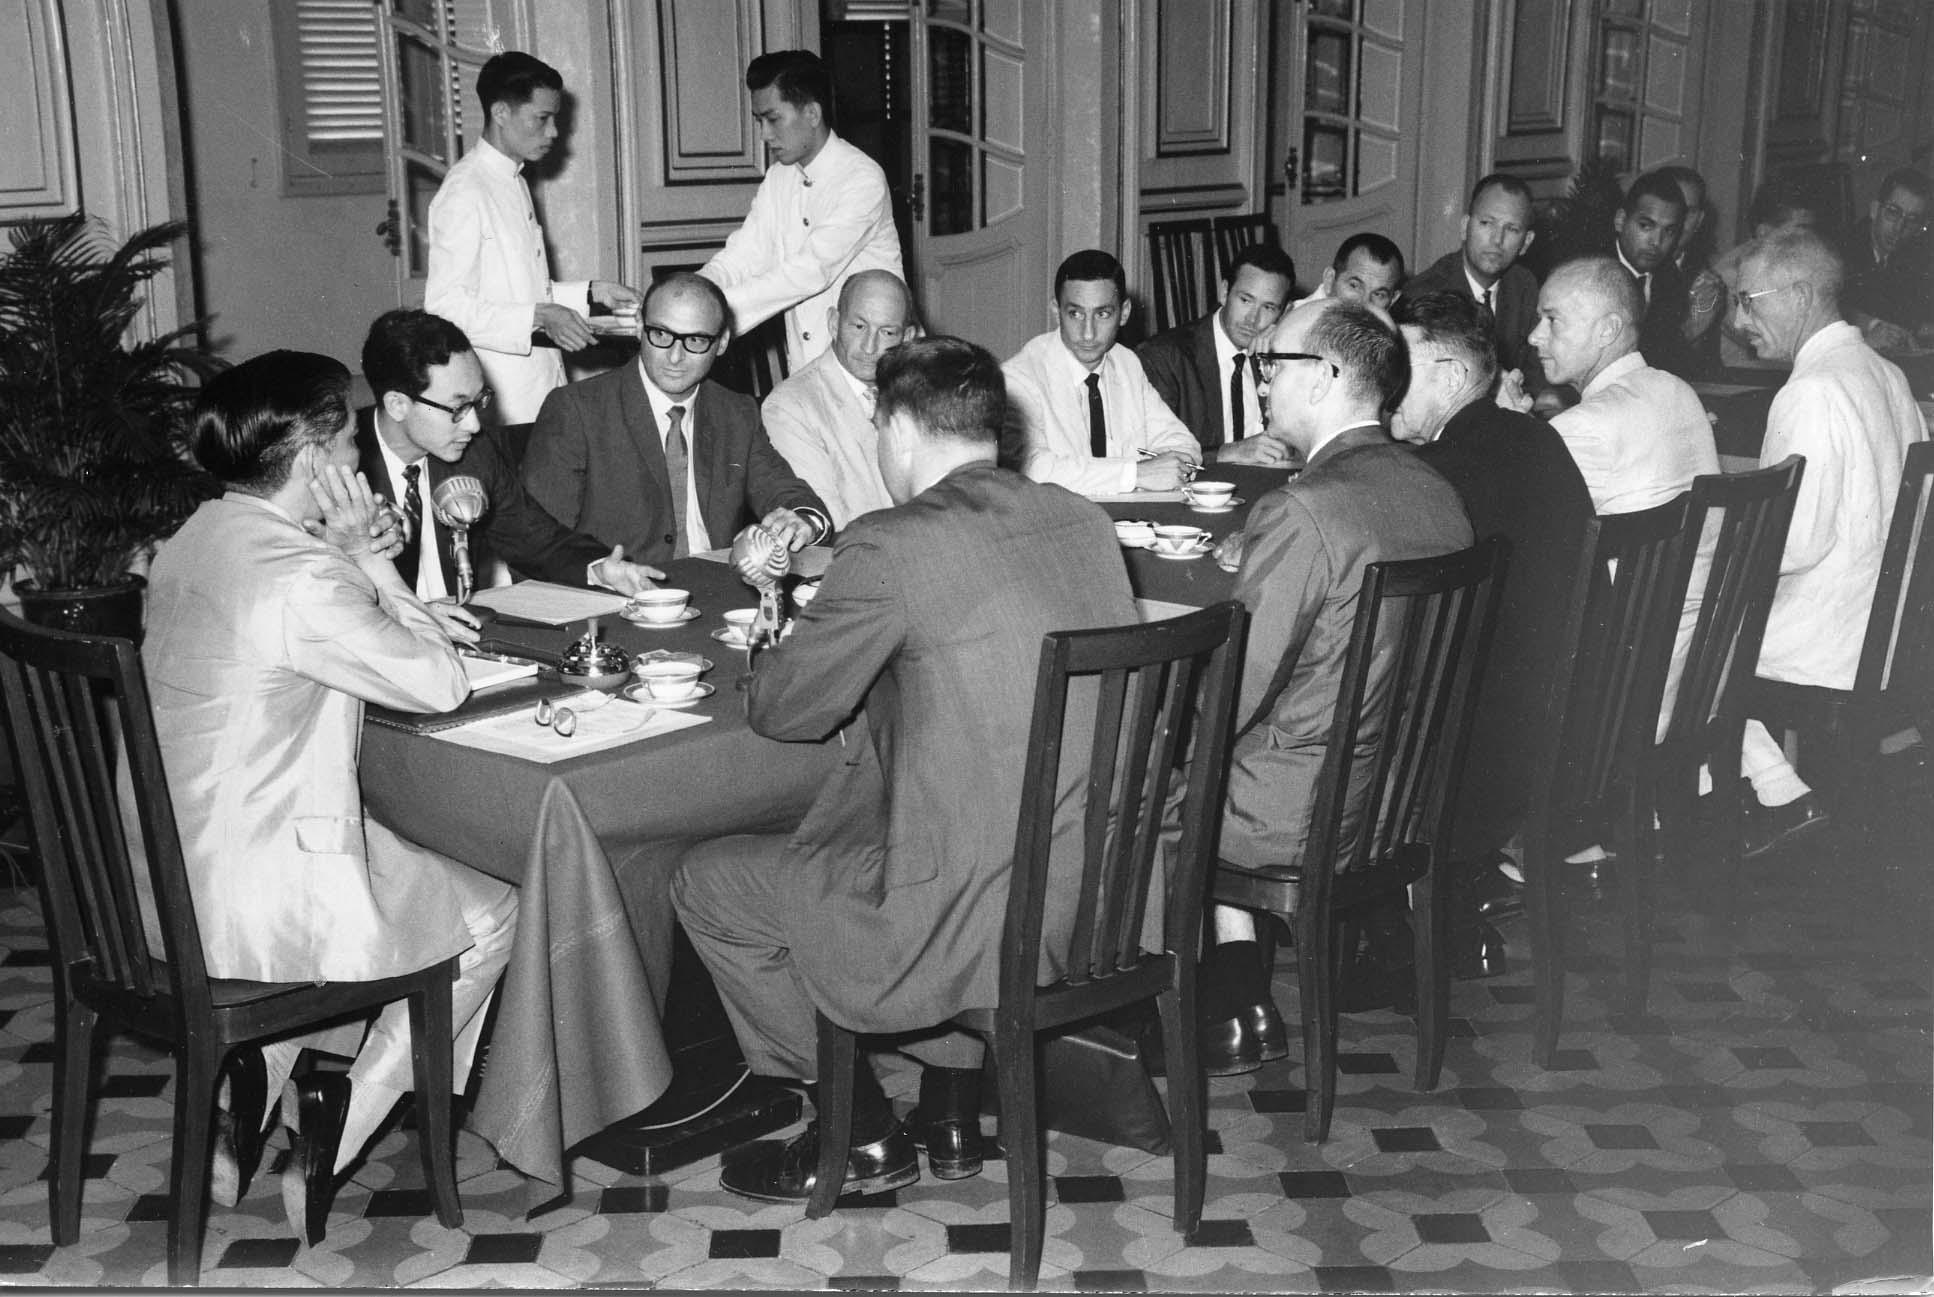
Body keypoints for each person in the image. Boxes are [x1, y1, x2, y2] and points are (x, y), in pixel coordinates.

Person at [672, 336, 1138, 1201]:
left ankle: (859, 1133)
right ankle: (951, 1108)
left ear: (898, 431)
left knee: (711, 882)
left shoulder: (891, 543)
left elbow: (785, 710)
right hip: (1098, 892)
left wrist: (775, 636)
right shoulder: (1081, 520)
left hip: (975, 911)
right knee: (927, 811)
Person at [125, 351, 517, 1237]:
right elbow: (440, 682)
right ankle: (339, 1124)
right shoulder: (303, 573)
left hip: (153, 879)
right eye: (346, 439)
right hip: (245, 900)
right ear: (311, 457)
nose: (357, 455)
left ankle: (256, 1076)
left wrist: (354, 567)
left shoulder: (194, 538)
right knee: (491, 911)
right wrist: (373, 564)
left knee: (401, 869)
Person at [1193, 299, 1472, 1073]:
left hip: (1303, 813)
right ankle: (1238, 984)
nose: (1260, 381)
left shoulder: (1303, 508)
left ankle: (1217, 1001)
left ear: (1321, 378)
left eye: (1270, 365)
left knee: (1150, 770)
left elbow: (1234, 690)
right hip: (1394, 800)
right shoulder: (1437, 491)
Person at [1730, 228, 1929, 855]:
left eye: (1748, 302)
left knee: (1674, 643)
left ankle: (1776, 799)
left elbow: (1792, 545)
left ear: (1799, 295)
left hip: (1827, 641)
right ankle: (1777, 791)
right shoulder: (1887, 374)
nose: (1738, 322)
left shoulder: (1809, 390)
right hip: (1885, 632)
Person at [1392, 291, 1592, 869]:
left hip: (1477, 767)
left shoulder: (1433, 476)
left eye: (1399, 368)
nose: (1383, 385)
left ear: (1452, 377)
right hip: (1560, 738)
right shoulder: (1536, 437)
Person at [1532, 256, 1718, 865]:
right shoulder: (1677, 390)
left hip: (1623, 692)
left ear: (1608, 329)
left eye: (1552, 320)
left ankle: (1542, 837)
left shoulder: (1584, 427)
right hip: (1694, 664)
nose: (1534, 336)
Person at [355, 309, 661, 627]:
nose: (474, 425)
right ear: (397, 405)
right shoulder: (341, 465)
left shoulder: (475, 454)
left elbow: (535, 539)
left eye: (478, 401)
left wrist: (599, 569)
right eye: (458, 408)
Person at [522, 272, 831, 565]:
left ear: (722, 342)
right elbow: (536, 542)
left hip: (718, 587)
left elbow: (786, 491)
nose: (675, 357)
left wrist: (804, 520)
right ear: (639, 327)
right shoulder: (577, 410)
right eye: (661, 334)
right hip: (614, 593)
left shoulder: (736, 412)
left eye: (696, 340)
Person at [425, 52, 640, 424]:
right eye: (542, 118)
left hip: (542, 383)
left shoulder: (515, 181)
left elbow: (518, 289)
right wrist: (538, 316)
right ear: (501, 112)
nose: (553, 132)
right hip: (502, 397)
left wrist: (593, 293)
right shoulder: (464, 191)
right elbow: (445, 308)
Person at [699, 50, 904, 373]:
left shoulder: (862, 178)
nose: (765, 135)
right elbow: (743, 255)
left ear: (811, 113)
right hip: (808, 369)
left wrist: (709, 313)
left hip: (873, 368)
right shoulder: (779, 177)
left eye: (773, 119)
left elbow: (810, 270)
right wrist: (691, 293)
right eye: (759, 121)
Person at [1004, 249, 1202, 495]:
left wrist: (1168, 467)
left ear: (1124, 313)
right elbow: (1030, 469)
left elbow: (1180, 442)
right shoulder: (1019, 377)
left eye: (1102, 314)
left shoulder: (1125, 362)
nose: (1088, 333)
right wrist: (1136, 474)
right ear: (1056, 311)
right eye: (1075, 314)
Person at [761, 269, 915, 526]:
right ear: (834, 323)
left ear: (907, 338)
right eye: (859, 326)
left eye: (887, 332)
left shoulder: (922, 393)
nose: (869, 346)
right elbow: (829, 524)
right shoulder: (790, 407)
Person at [1136, 242, 1301, 465]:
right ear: (1224, 292)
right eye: (1245, 300)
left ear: (1285, 311)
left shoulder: (1280, 354)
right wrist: (1227, 453)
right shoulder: (1164, 357)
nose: (1252, 319)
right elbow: (1148, 454)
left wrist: (1286, 344)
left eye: (1268, 307)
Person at [1407, 173, 1549, 402]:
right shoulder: (1424, 294)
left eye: (1512, 229)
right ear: (1465, 227)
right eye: (1486, 223)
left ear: (1526, 242)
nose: (1497, 239)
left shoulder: (1525, 286)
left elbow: (1539, 375)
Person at [1608, 170, 1695, 378]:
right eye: (1646, 226)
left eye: (1669, 231)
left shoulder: (1671, 280)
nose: (1657, 242)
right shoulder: (1588, 272)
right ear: (1620, 220)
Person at [1842, 166, 1934, 349]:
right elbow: (1836, 308)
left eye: (1912, 219)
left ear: (1920, 227)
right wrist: (1873, 325)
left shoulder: (1918, 255)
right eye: (1893, 212)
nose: (1899, 227)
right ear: (1875, 210)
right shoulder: (1842, 249)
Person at [1660, 163, 1725, 359]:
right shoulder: (1622, 269)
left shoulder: (1704, 283)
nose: (1678, 220)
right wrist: (1691, 329)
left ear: (1699, 220)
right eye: (1670, 207)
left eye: (1688, 212)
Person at [1291, 232, 1406, 310]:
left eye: (1379, 294)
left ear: (1393, 300)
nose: (1364, 304)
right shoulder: (1293, 325)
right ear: (1329, 280)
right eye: (1354, 286)